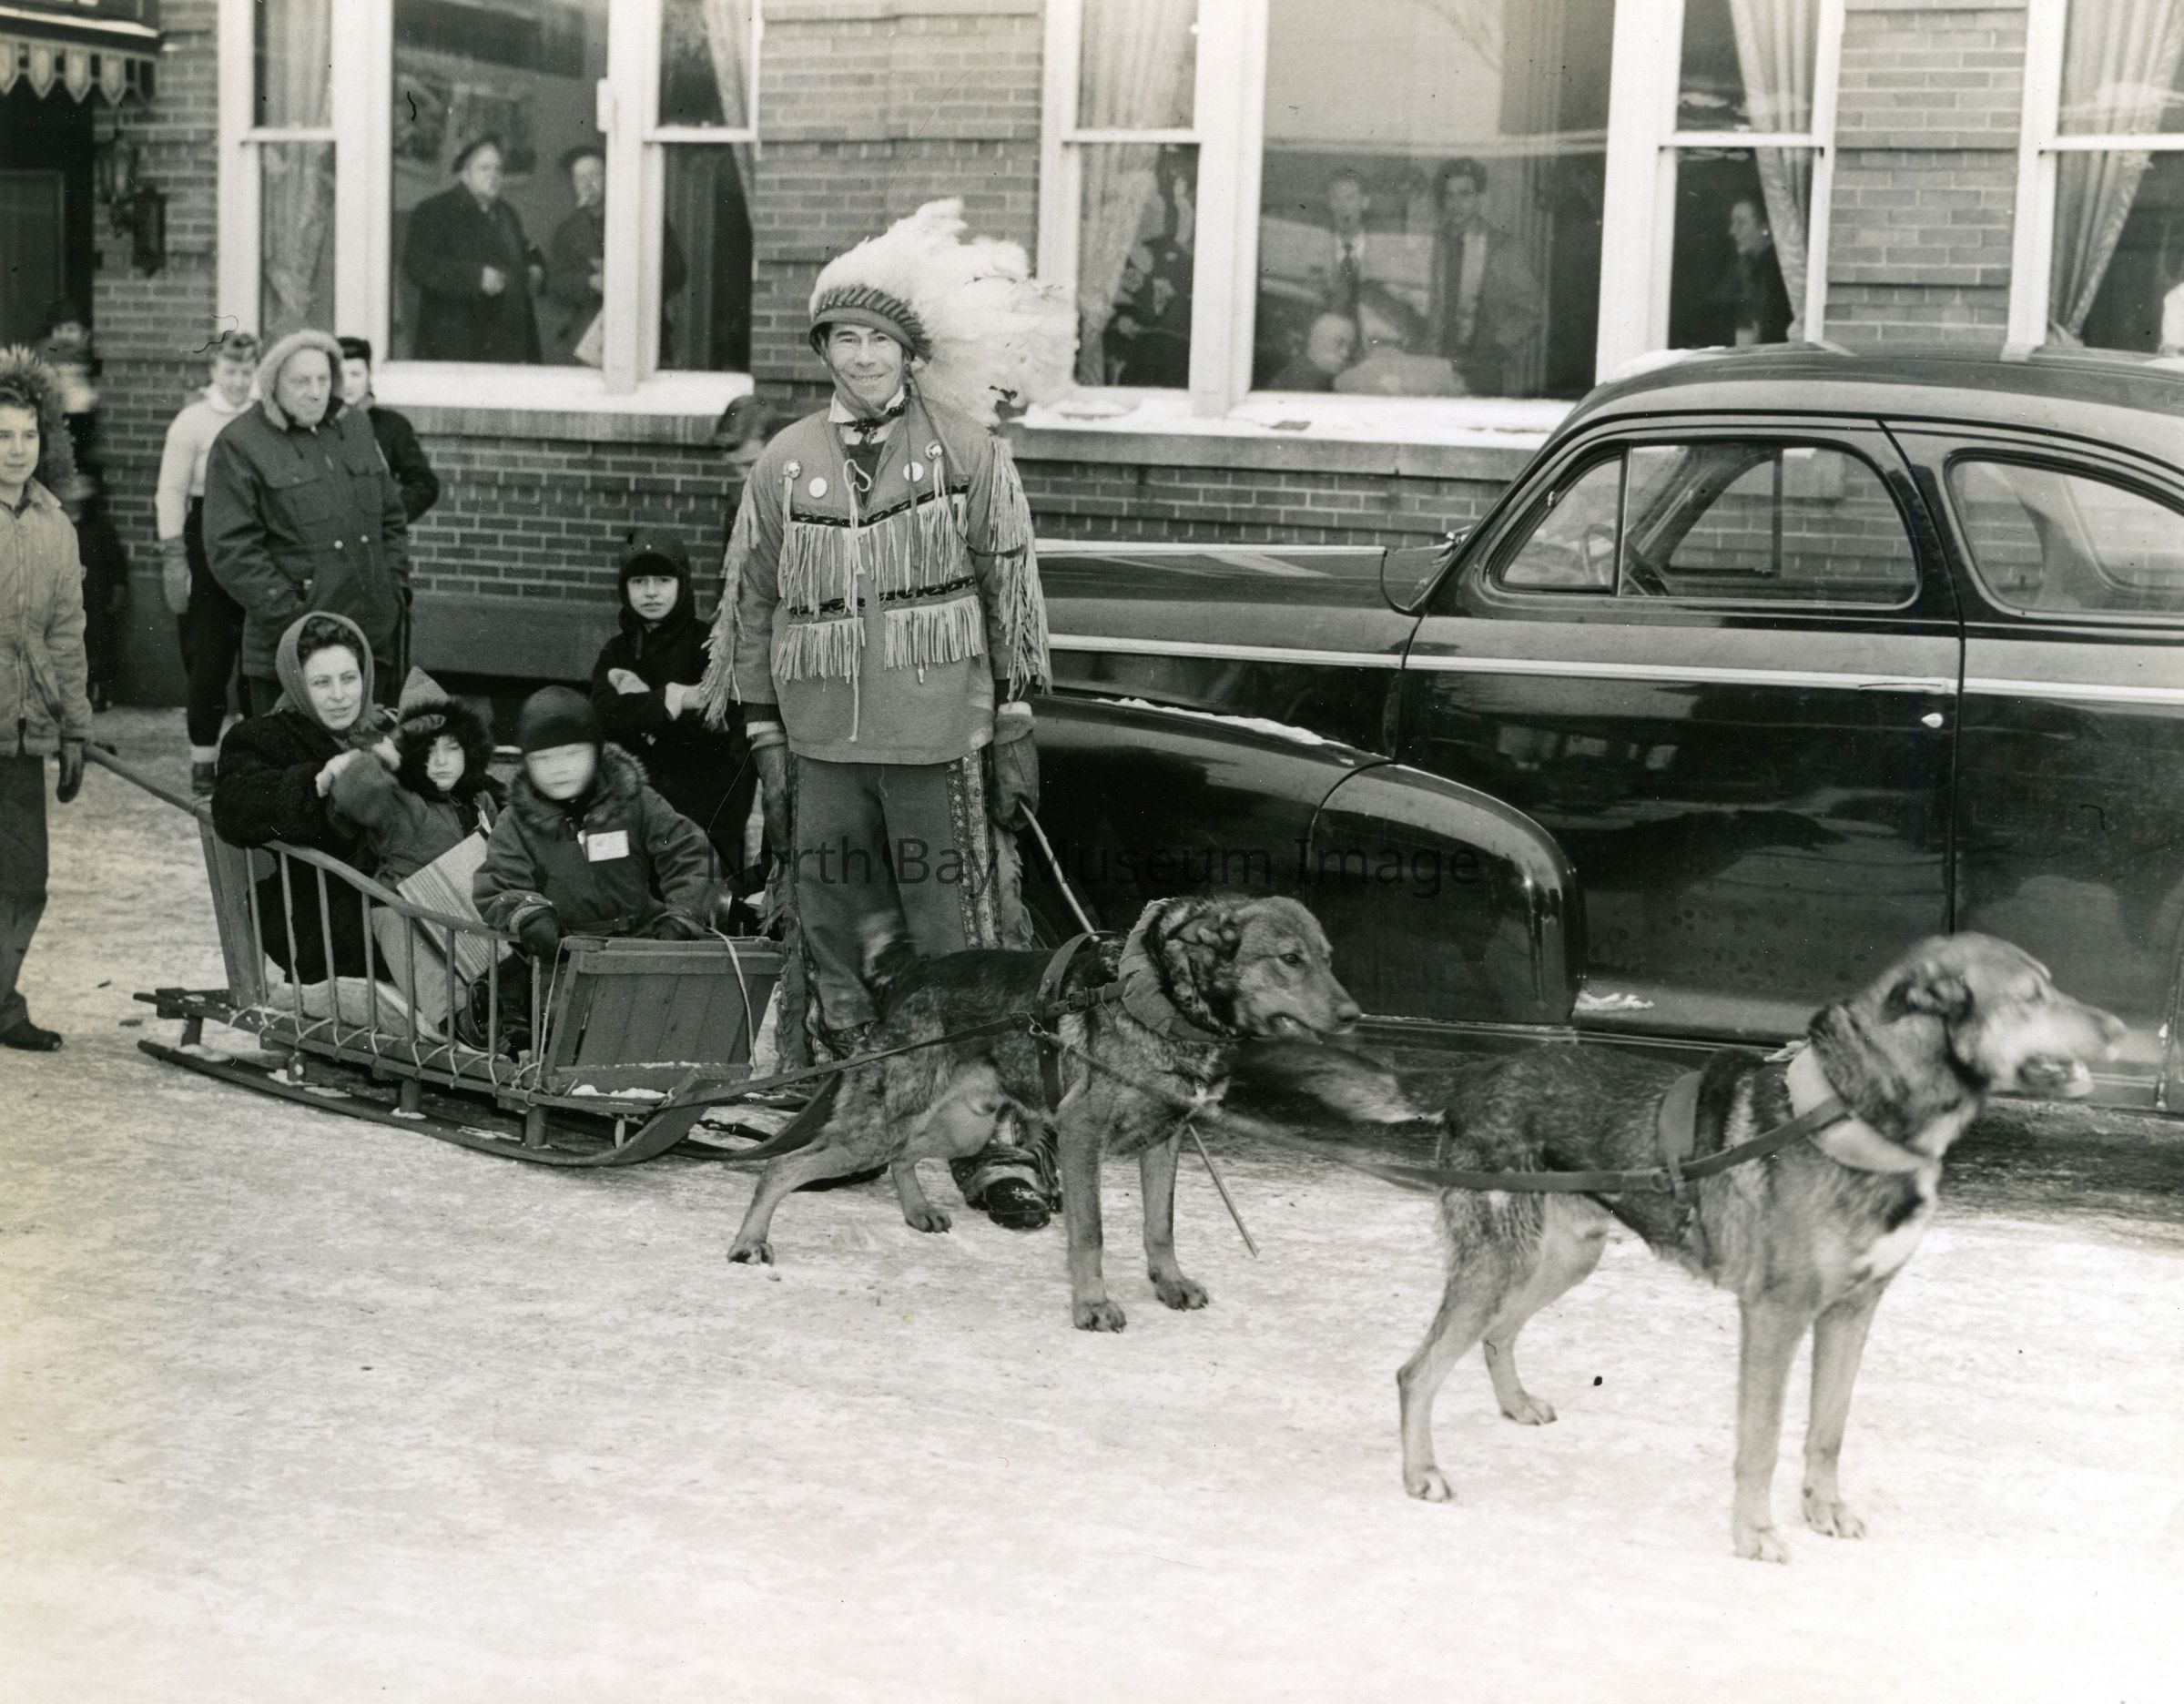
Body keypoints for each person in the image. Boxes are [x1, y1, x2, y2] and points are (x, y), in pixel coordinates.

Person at [698, 200, 1070, 1232]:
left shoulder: (966, 451)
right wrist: (767, 741)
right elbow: (753, 604)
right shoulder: (784, 461)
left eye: (879, 340)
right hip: (821, 750)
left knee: (960, 952)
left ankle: (998, 1149)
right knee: (835, 937)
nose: (862, 358)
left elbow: (1008, 594)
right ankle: (858, 1122)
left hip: (937, 744)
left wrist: (1013, 726)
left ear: (912, 353)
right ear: (823, 351)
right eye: (844, 339)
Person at [204, 330, 411, 715]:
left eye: (323, 379)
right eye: (301, 381)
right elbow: (231, 550)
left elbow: (392, 518)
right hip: (292, 653)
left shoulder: (356, 426)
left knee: (369, 750)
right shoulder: (241, 443)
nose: (315, 392)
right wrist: (296, 618)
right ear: (272, 384)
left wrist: (392, 586)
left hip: (371, 641)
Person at [209, 612, 394, 984]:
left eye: (349, 678)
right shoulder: (266, 738)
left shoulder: (388, 728)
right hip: (326, 914)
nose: (339, 696)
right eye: (321, 683)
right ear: (297, 683)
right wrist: (317, 783)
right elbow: (233, 806)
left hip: (402, 900)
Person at [0, 347, 92, 1051]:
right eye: (3, 434)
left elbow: (66, 635)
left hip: (24, 733)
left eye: (28, 434)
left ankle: (1, 1005)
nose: (17, 448)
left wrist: (75, 731)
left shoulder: (55, 524)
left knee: (26, 880)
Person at [325, 674, 503, 1030]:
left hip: (465, 911)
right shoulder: (398, 799)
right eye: (428, 752)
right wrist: (386, 756)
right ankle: (457, 1017)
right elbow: (351, 794)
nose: (441, 762)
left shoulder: (480, 801)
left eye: (452, 749)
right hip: (409, 909)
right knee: (394, 924)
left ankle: (509, 1007)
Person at [589, 529, 757, 886]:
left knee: (702, 902)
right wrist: (672, 698)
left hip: (701, 818)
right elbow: (603, 716)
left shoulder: (710, 647)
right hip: (634, 815)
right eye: (639, 581)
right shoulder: (616, 652)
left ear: (682, 584)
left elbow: (722, 731)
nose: (651, 592)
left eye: (663, 580)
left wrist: (640, 707)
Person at [157, 330, 260, 794]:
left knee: (256, 655)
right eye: (230, 370)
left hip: (256, 539)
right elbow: (171, 492)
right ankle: (204, 759)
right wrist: (174, 557)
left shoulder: (265, 417)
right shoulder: (192, 421)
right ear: (214, 370)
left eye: (246, 371)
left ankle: (256, 757)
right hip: (204, 543)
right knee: (209, 656)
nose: (238, 381)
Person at [401, 136, 544, 363]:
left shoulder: (507, 213)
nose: (493, 175)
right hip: (458, 347)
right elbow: (417, 265)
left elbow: (525, 249)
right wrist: (476, 278)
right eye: (484, 168)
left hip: (511, 345)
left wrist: (536, 266)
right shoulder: (434, 211)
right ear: (464, 174)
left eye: (498, 169)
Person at [542, 145, 687, 365]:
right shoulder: (567, 231)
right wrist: (590, 282)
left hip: (641, 330)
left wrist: (627, 277)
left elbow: (676, 272)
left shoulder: (644, 217)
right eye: (580, 178)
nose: (587, 184)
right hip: (589, 340)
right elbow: (555, 284)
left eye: (594, 175)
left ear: (610, 177)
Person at [1427, 158, 1542, 398]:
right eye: (1449, 196)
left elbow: (1530, 310)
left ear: (1480, 198)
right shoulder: (1434, 245)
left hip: (1483, 369)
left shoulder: (1504, 248)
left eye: (1465, 195)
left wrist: (1497, 347)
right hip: (1435, 364)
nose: (1456, 204)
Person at [336, 338, 440, 524]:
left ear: (369, 376)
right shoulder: (316, 425)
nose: (348, 384)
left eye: (356, 374)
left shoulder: (392, 426)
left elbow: (424, 484)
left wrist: (390, 517)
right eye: (340, 375)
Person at [1714, 196, 1794, 348]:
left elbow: (1770, 330)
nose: (1732, 231)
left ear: (1765, 227)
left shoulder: (1776, 271)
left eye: (1741, 223)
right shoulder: (1750, 263)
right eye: (1733, 223)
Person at [1321, 168, 1373, 327]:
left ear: (1365, 202)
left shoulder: (1382, 250)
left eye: (1350, 198)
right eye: (1336, 199)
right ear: (1329, 204)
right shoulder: (1318, 250)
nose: (1342, 207)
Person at [1268, 310, 1360, 391]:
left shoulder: (1300, 368)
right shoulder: (1314, 381)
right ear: (1317, 341)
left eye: (1350, 347)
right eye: (1339, 343)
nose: (1346, 354)